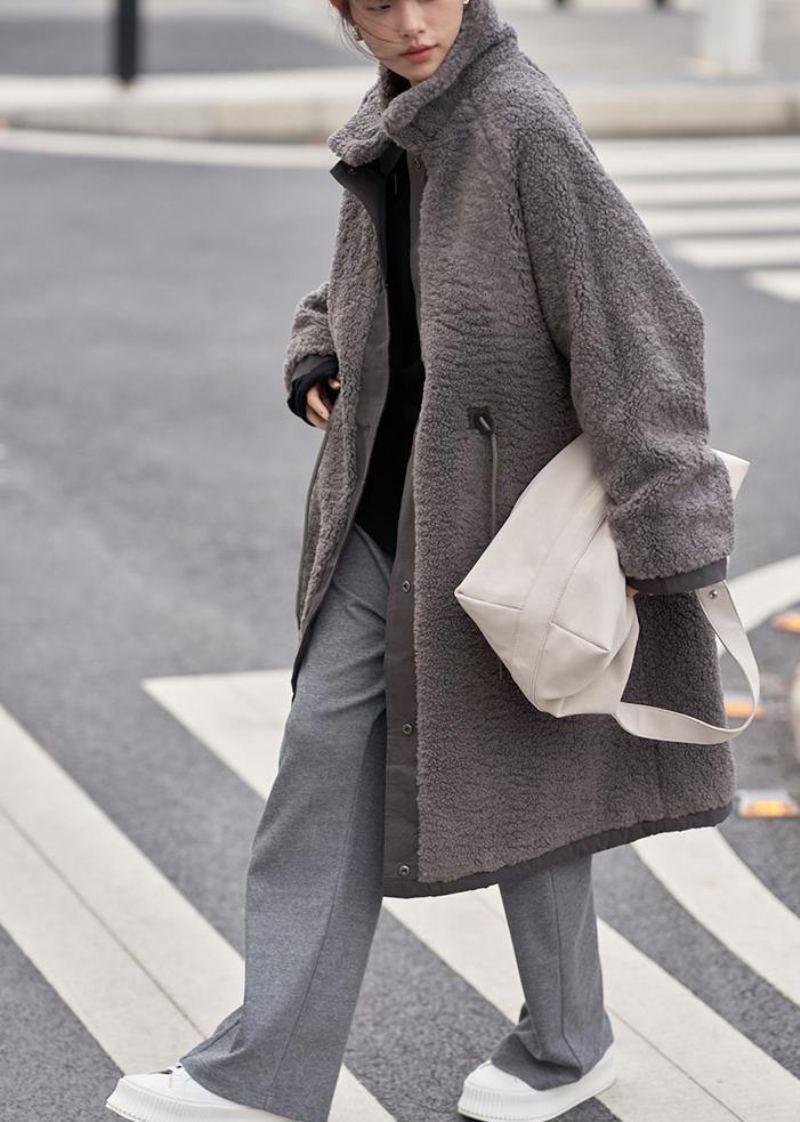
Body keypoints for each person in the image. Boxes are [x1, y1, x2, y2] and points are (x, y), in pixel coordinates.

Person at [106, 2, 735, 1121]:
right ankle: (265, 1077)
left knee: (523, 776)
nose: (407, 23)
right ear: (343, 15)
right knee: (320, 767)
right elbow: (371, 279)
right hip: (386, 522)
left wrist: (663, 528)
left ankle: (567, 1039)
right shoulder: (398, 116)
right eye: (374, 3)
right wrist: (319, 349)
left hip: (499, 536)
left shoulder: (520, 124)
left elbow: (637, 325)